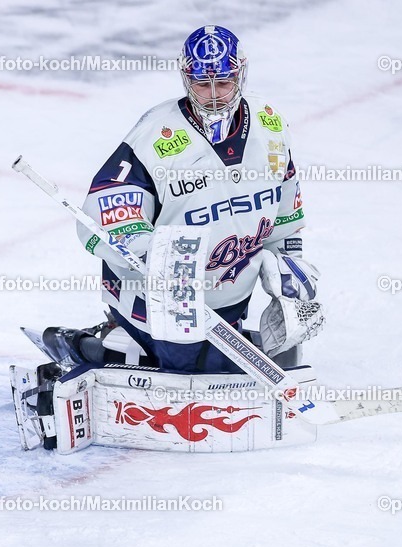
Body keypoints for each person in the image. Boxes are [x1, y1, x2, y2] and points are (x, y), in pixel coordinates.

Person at [75, 25, 321, 373]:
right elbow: (106, 209)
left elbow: (285, 212)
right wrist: (148, 254)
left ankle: (145, 349)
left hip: (230, 298)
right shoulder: (157, 136)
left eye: (224, 82)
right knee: (199, 369)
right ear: (186, 79)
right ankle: (95, 347)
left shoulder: (270, 126)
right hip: (158, 302)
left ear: (241, 75)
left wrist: (287, 269)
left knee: (282, 357)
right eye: (203, 84)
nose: (215, 96)